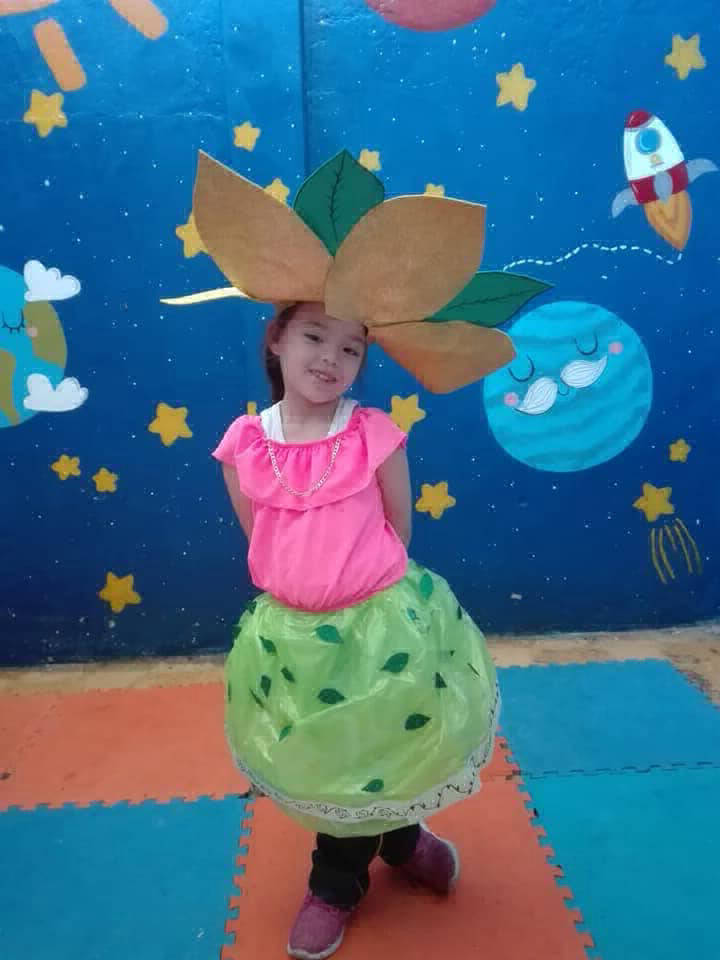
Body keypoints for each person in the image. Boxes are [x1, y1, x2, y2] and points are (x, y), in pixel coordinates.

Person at [161, 148, 541, 960]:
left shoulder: (373, 434)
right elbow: (260, 536)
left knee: (382, 751)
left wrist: (361, 594)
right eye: (313, 336)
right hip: (293, 638)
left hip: (381, 625)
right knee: (336, 761)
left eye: (351, 348)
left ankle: (338, 883)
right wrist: (304, 591)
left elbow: (399, 527)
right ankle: (403, 845)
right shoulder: (244, 444)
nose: (329, 358)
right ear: (277, 339)